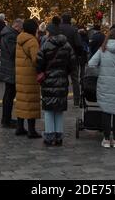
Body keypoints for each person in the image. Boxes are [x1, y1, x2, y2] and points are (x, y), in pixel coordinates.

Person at [37, 16, 77, 146]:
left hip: (49, 80)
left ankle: (49, 134)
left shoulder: (46, 45)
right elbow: (72, 63)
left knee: (49, 109)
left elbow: (39, 62)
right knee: (59, 109)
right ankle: (59, 135)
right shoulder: (67, 45)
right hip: (62, 80)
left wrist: (42, 71)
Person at [15, 19, 41, 138]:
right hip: (30, 75)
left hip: (20, 73)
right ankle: (31, 130)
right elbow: (36, 59)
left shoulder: (20, 38)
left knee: (21, 100)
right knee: (31, 101)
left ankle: (20, 127)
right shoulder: (32, 41)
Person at [0, 18, 23, 128]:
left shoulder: (7, 33)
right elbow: (14, 51)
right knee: (9, 95)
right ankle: (6, 120)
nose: (21, 31)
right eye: (21, 29)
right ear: (17, 27)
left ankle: (6, 118)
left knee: (8, 95)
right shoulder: (11, 36)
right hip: (11, 69)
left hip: (8, 67)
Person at [59, 13, 83, 107]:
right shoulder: (74, 30)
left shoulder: (59, 29)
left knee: (62, 79)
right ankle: (76, 100)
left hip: (61, 58)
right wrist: (78, 55)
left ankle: (62, 99)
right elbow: (78, 44)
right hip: (72, 58)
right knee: (75, 80)